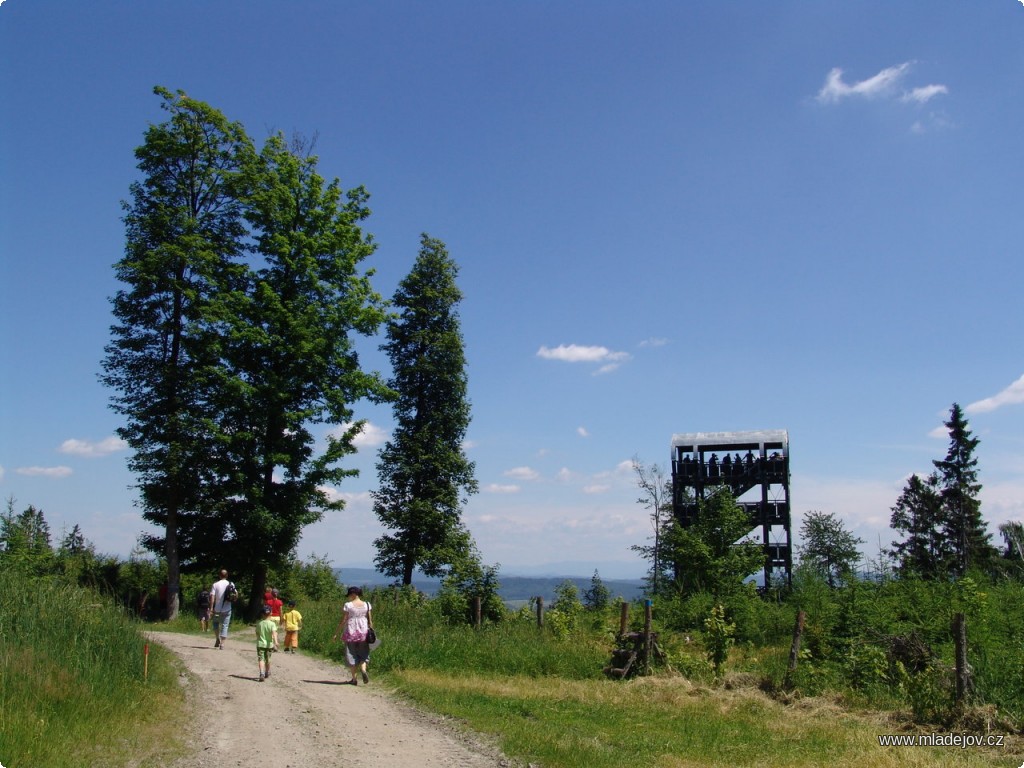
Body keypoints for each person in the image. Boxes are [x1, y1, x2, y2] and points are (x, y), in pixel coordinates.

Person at [332, 586, 373, 685]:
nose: (349, 597)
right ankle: (363, 670)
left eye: (349, 595)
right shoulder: (367, 604)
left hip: (351, 632)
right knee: (364, 653)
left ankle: (354, 679)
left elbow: (344, 620)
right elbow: (370, 620)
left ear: (353, 594)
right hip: (364, 632)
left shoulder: (348, 605)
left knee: (351, 654)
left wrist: (336, 633)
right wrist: (371, 631)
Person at [210, 569, 234, 649]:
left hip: (217, 609)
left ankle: (217, 639)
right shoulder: (231, 584)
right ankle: (222, 644)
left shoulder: (215, 584)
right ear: (227, 575)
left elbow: (212, 597)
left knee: (216, 623)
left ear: (219, 575)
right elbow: (235, 594)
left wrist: (211, 608)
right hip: (227, 609)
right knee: (225, 625)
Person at [256, 604, 279, 681]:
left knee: (261, 659)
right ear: (271, 613)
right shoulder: (272, 624)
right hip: (269, 645)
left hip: (260, 644)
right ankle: (267, 672)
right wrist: (276, 642)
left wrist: (259, 639)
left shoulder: (259, 624)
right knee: (268, 659)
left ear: (262, 614)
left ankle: (261, 673)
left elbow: (257, 634)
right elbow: (274, 633)